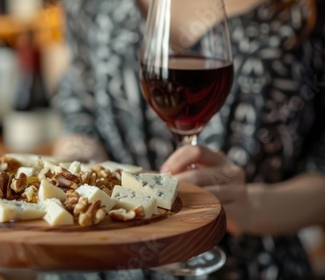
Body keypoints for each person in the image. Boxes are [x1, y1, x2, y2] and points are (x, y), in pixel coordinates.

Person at [51, 0, 325, 278]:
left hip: (250, 266)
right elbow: (81, 107)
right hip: (100, 258)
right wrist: (82, 166)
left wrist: (251, 206)